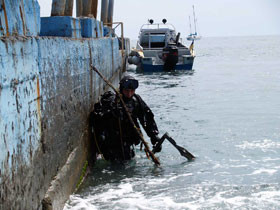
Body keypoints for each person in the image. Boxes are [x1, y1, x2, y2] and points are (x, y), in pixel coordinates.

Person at [91, 75, 161, 161]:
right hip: (112, 143)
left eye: (132, 91)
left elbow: (146, 117)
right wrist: (112, 113)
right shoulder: (112, 100)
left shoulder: (136, 101)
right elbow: (99, 118)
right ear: (121, 89)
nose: (129, 94)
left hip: (128, 142)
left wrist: (154, 136)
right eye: (126, 91)